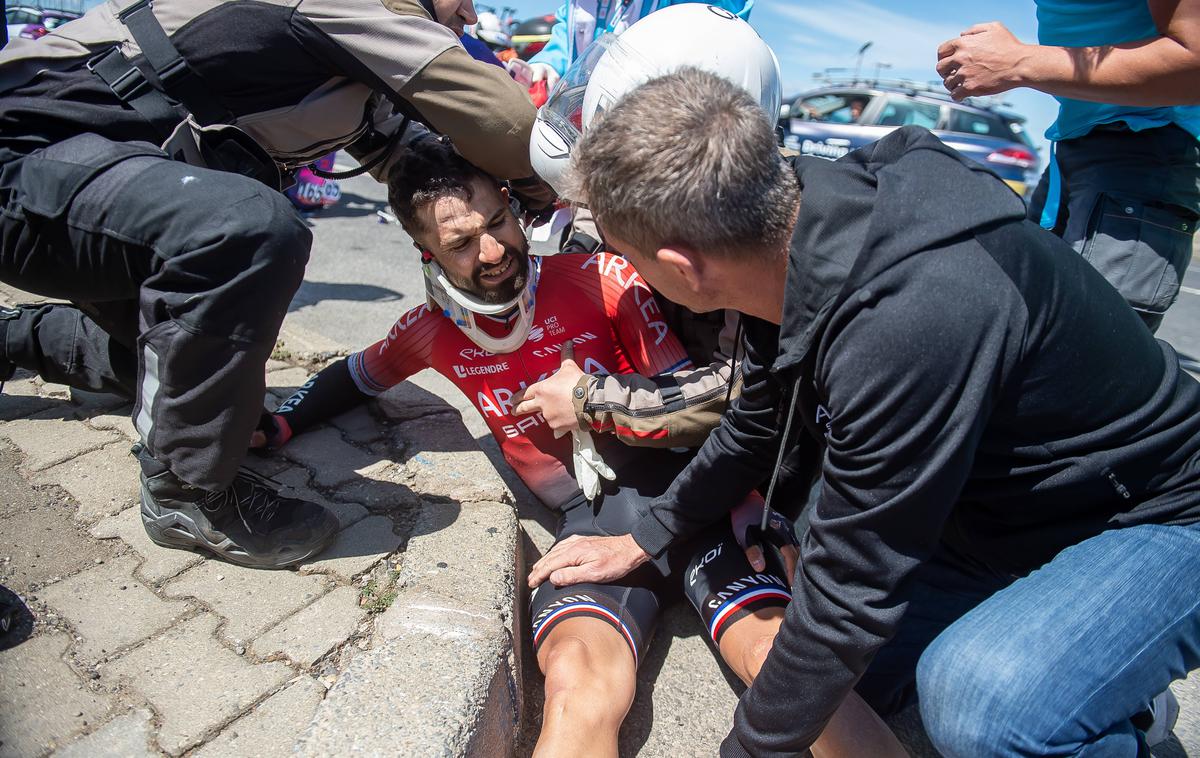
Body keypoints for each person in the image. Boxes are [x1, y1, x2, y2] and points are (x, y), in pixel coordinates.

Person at [528, 67, 1200, 757]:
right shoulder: (792, 225)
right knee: (824, 682)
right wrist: (647, 537)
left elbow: (851, 595)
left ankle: (1101, 692)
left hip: (1153, 514)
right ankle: (1090, 663)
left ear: (683, 265)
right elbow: (756, 425)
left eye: (628, 257)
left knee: (979, 706)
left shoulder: (908, 323)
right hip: (1001, 514)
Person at [254, 135, 907, 758]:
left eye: (497, 222)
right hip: (587, 523)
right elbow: (353, 375)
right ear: (424, 252)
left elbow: (701, 407)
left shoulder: (600, 277)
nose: (491, 252)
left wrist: (749, 506)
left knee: (784, 668)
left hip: (691, 500)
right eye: (460, 243)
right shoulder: (430, 330)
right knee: (574, 688)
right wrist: (278, 424)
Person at [0, 0, 554, 569]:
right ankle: (185, 491)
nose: (469, 9)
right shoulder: (350, 6)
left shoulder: (350, 69)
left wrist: (488, 213)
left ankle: (14, 340)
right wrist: (552, 183)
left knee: (202, 385)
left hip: (91, 194)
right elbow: (506, 122)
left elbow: (411, 159)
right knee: (249, 228)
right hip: (23, 163)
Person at [935, 1, 1200, 332]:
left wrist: (1018, 61)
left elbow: (1195, 64)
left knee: (1084, 359)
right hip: (1072, 150)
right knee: (1012, 334)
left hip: (1142, 152)